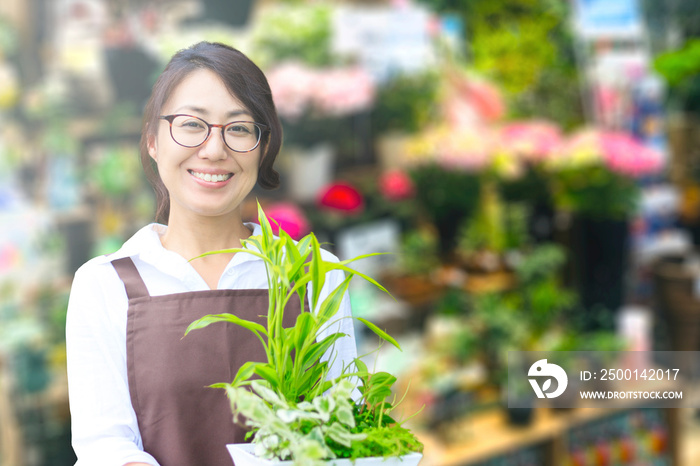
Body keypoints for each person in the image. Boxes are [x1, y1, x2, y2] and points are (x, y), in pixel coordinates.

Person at [65, 42, 357, 466]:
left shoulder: (316, 274)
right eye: (190, 124)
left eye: (239, 128)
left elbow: (346, 423)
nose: (214, 149)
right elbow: (104, 447)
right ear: (152, 139)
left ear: (263, 147)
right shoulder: (106, 285)